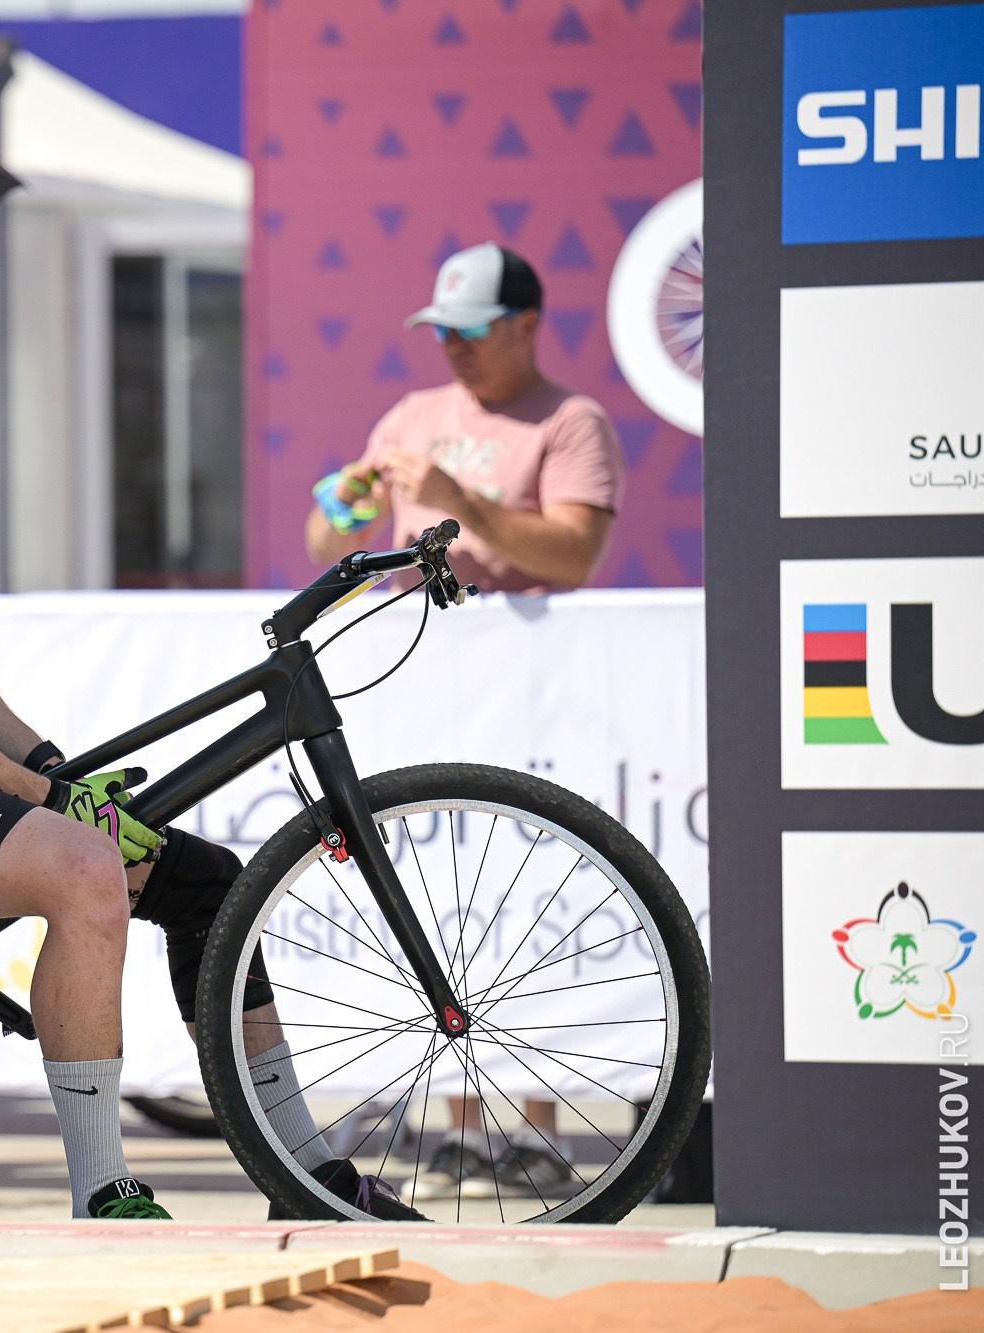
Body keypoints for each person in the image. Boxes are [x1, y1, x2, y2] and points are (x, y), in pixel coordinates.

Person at [0, 197, 426, 1222]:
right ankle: (104, 1191)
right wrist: (42, 794)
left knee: (205, 882)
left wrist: (55, 762)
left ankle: (307, 1175)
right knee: (86, 868)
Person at [304, 242, 624, 1198]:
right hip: (412, 675)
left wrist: (460, 500)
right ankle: (452, 1125)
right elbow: (327, 533)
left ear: (527, 326)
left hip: (525, 686)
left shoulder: (571, 420)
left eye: (473, 333)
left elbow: (573, 554)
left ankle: (532, 1122)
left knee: (522, 889)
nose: (455, 351)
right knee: (429, 892)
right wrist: (346, 500)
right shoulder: (412, 414)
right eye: (442, 333)